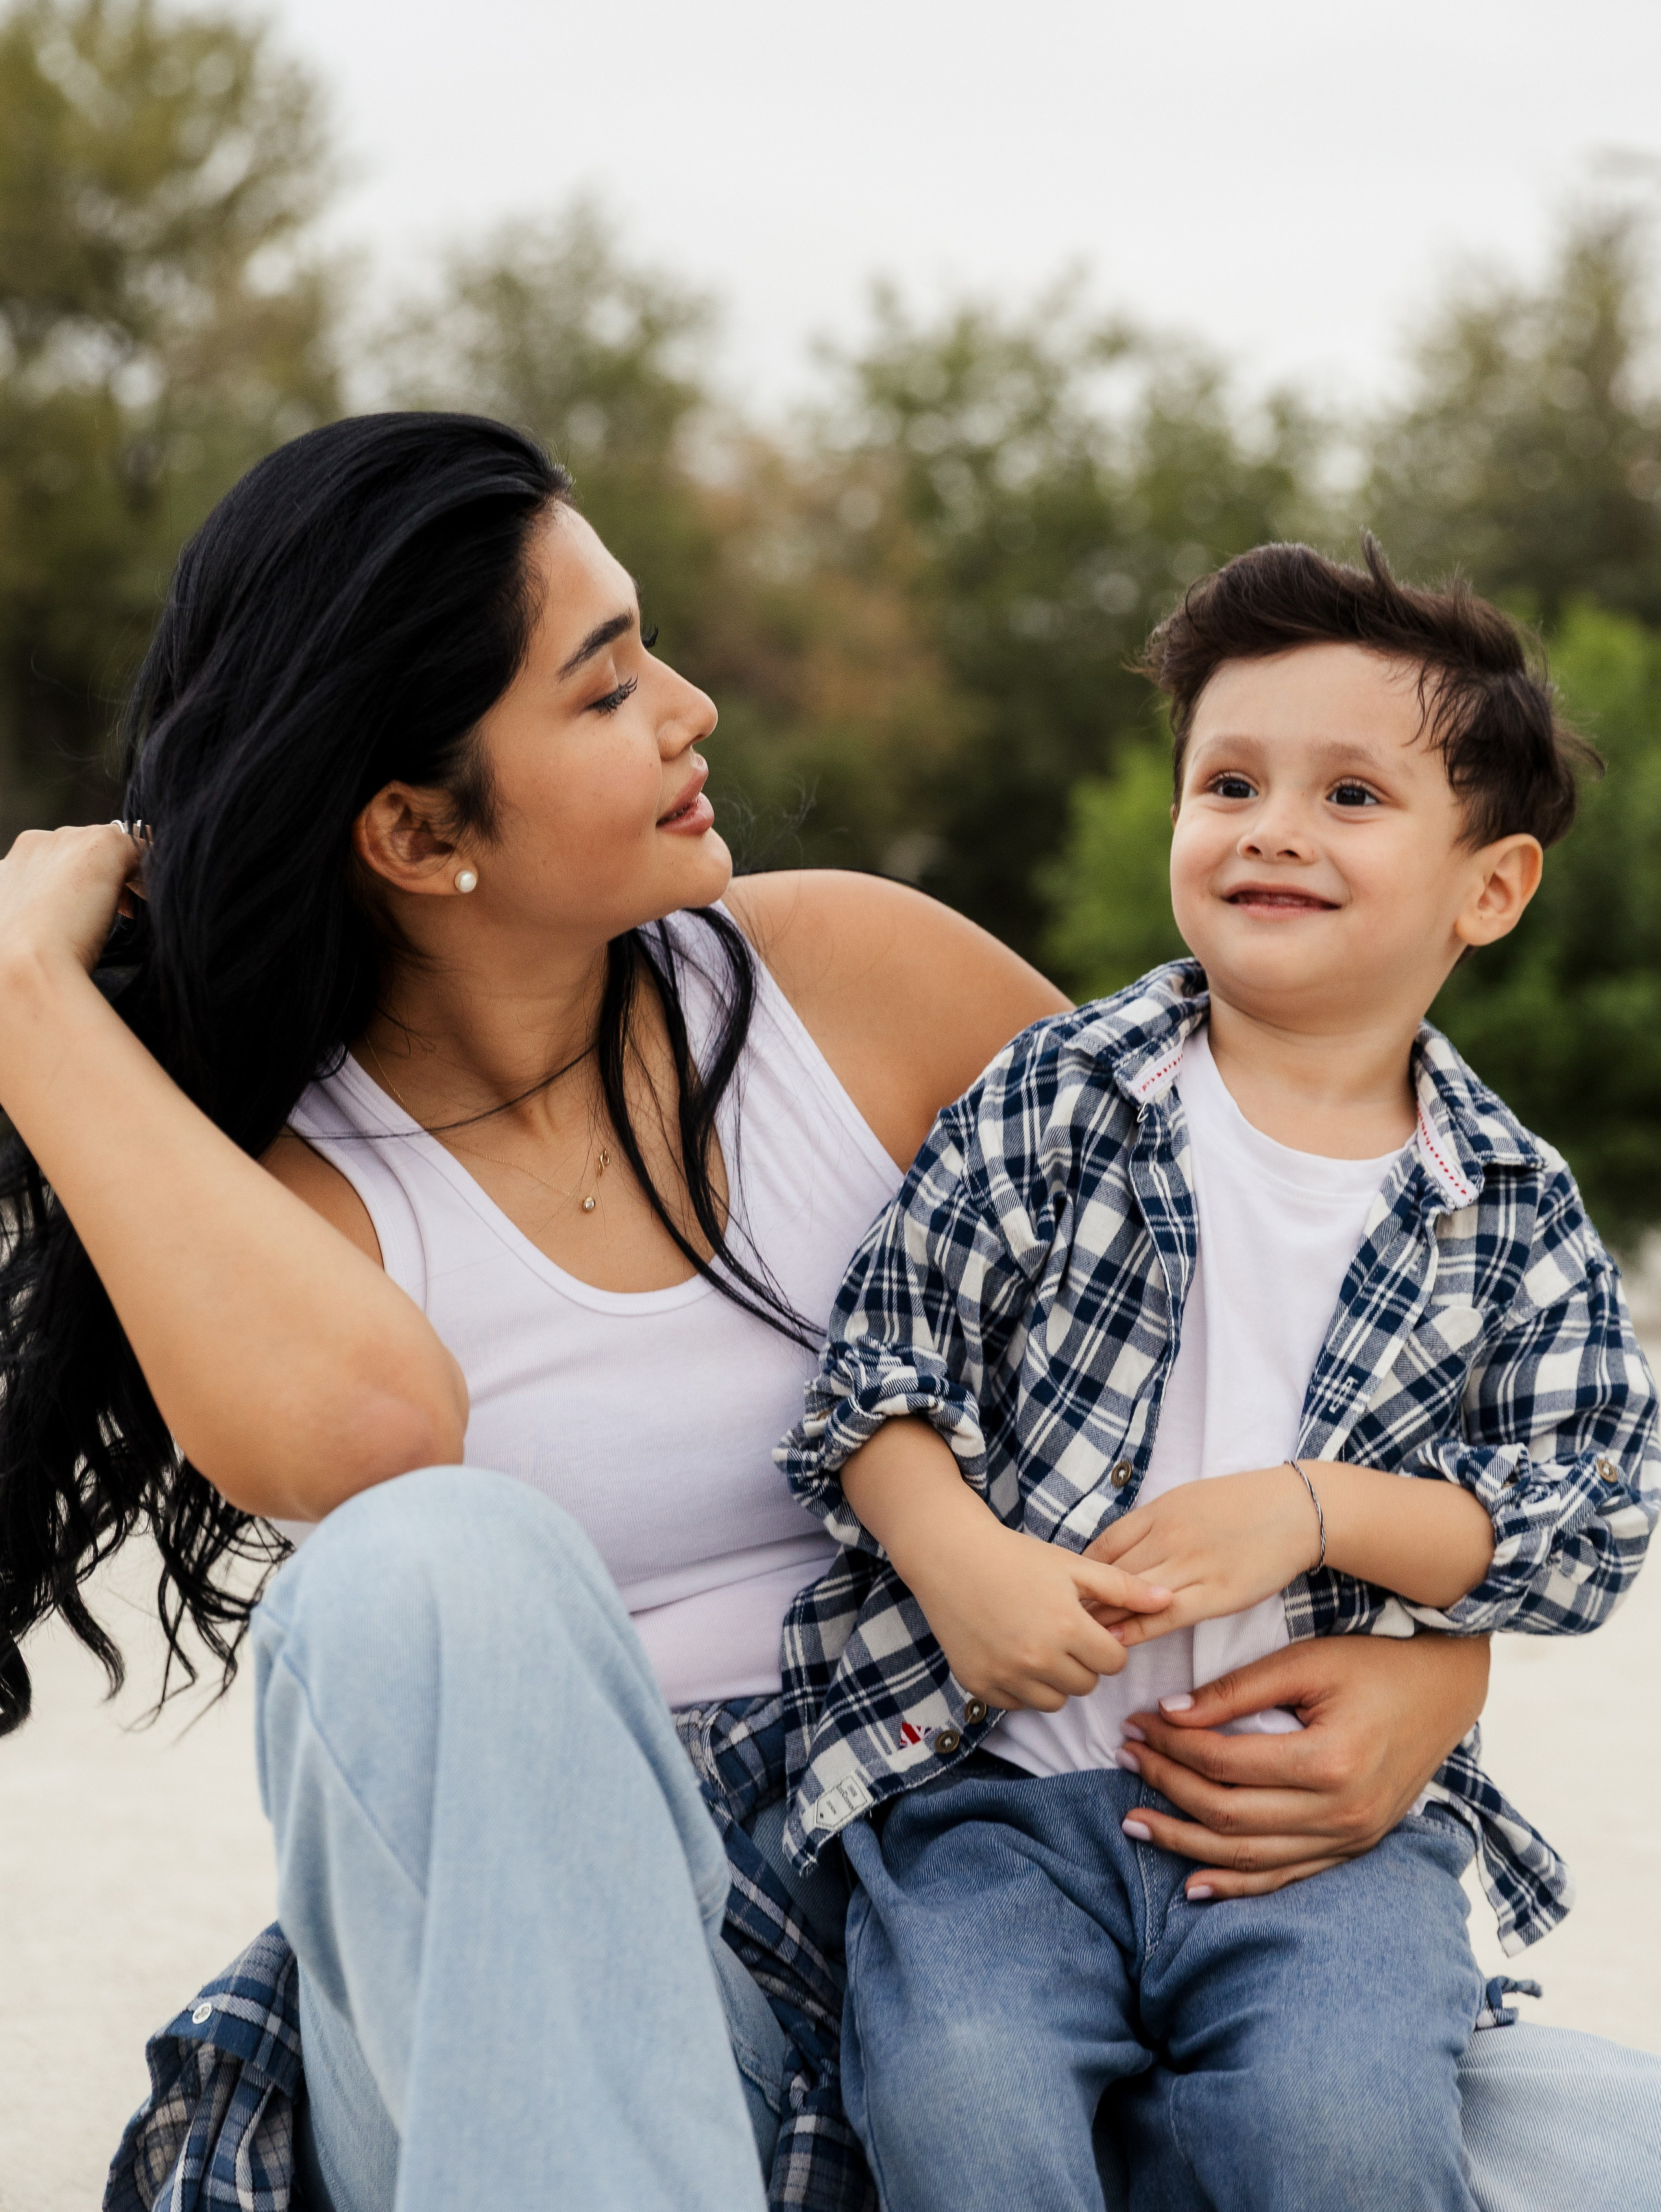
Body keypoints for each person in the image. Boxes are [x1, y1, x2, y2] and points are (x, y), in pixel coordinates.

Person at [0, 418, 1644, 2212]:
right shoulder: (289, 1199)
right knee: (424, 1559)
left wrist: (1437, 1664)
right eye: (609, 685)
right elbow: (370, 1451)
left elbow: (1247, 1292)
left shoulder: (861, 982)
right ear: (415, 826)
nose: (694, 705)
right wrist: (32, 1004)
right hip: (599, 2000)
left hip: (1005, 1897)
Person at [778, 540, 1661, 2212]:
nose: (1271, 827)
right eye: (1231, 781)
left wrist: (1319, 1513)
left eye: (1350, 796)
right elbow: (877, 1366)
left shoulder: (1514, 1206)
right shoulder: (1067, 1095)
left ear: (1492, 886)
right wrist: (957, 1560)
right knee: (959, 2103)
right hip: (996, 1797)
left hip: (1320, 1839)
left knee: (1340, 2135)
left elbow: (1590, 1519)